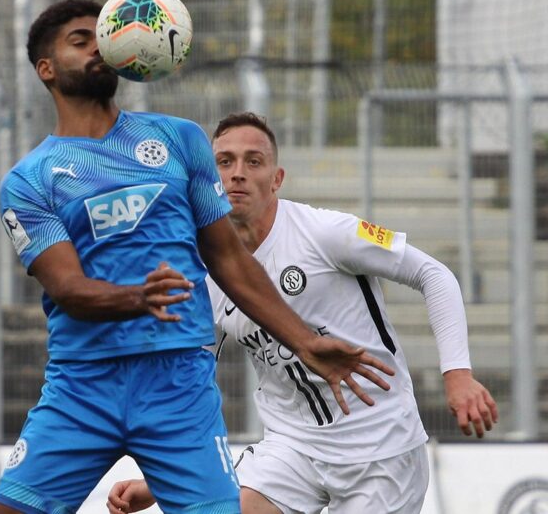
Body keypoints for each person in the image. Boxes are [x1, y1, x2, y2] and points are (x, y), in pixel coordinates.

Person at [0, 0, 395, 514]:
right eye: (79, 40)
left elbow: (229, 259)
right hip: (82, 386)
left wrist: (305, 343)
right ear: (45, 68)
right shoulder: (30, 180)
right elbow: (67, 289)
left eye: (102, 35)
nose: (98, 45)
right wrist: (140, 297)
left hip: (179, 385)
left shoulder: (178, 140)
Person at [107, 112, 499, 514]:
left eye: (253, 161)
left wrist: (458, 375)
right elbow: (190, 382)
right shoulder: (203, 271)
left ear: (276, 179)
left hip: (380, 449)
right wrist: (161, 478)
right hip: (290, 447)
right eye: (224, 162)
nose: (237, 173)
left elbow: (433, 274)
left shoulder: (325, 232)